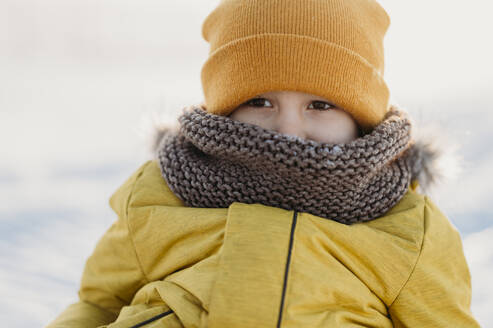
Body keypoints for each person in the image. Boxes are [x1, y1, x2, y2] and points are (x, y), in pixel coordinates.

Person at [46, 0, 480, 327]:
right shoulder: (161, 193)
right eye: (259, 100)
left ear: (361, 119)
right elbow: (98, 304)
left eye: (320, 104)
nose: (287, 129)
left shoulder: (407, 228)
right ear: (224, 109)